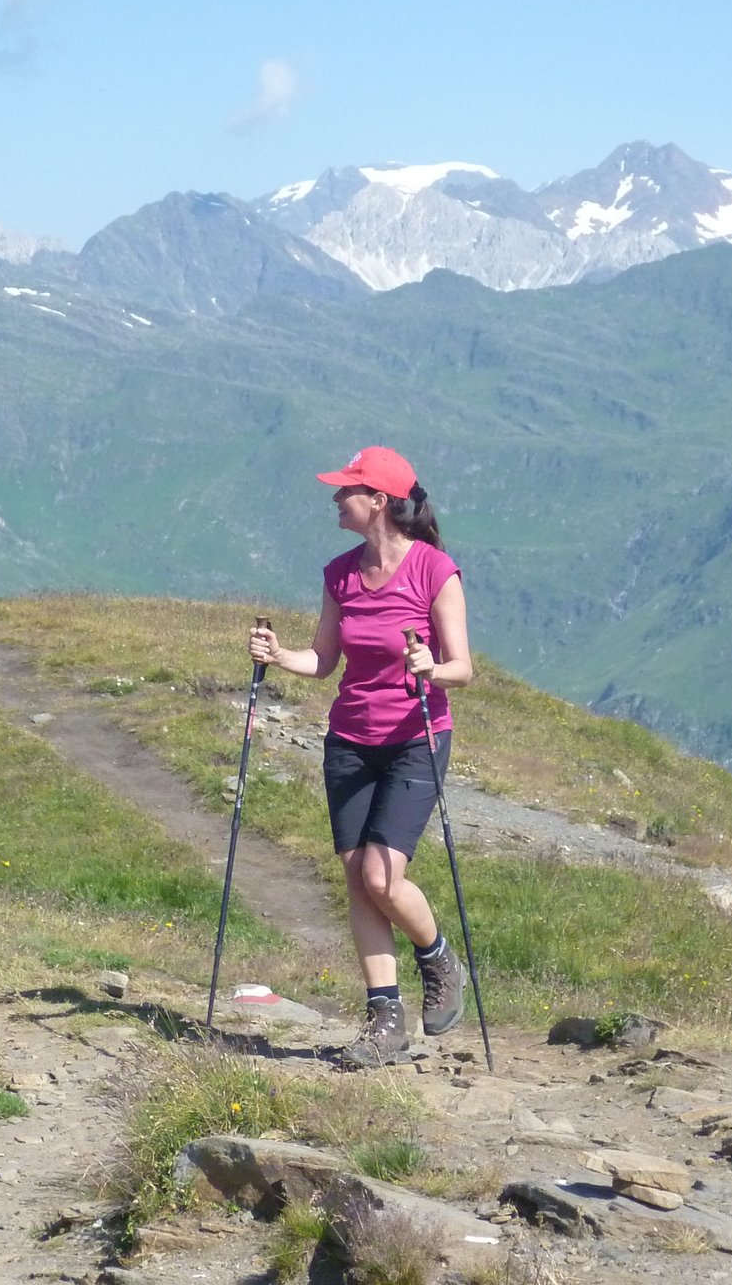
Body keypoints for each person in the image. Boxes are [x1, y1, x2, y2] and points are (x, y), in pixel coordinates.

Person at [249, 446, 472, 1067]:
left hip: (414, 738)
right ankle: (385, 1020)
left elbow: (463, 668)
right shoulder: (340, 573)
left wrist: (432, 668)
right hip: (349, 740)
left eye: (346, 489)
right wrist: (276, 655)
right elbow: (323, 662)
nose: (335, 498)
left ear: (379, 500)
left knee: (381, 876)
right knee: (356, 877)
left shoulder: (434, 570)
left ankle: (438, 959)